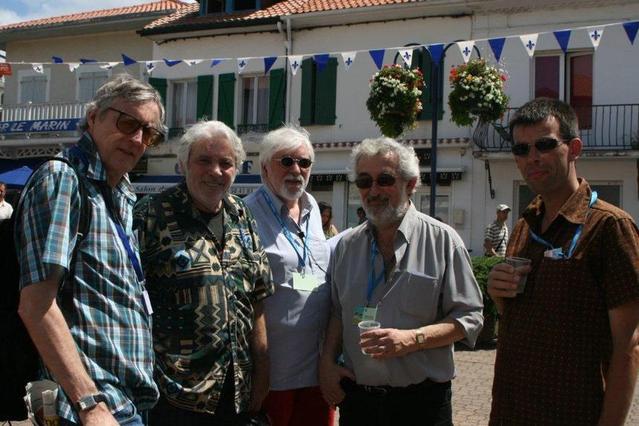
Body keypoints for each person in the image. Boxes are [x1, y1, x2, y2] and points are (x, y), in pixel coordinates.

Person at [16, 74, 165, 425]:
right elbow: (36, 304)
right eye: (128, 123)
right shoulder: (64, 178)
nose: (138, 139)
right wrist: (89, 403)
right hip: (88, 406)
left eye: (150, 133)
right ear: (94, 117)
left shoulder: (120, 194)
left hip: (125, 402)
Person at [487, 98, 639, 425]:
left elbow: (628, 348)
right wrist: (499, 294)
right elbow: (521, 316)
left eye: (544, 144)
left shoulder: (609, 227)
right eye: (521, 149)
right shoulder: (523, 226)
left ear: (574, 149)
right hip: (511, 413)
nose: (532, 157)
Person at [319, 136, 484, 426]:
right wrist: (327, 364)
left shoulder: (443, 242)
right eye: (364, 181)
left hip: (421, 405)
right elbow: (337, 311)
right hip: (359, 404)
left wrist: (412, 339)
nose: (373, 190)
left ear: (410, 184)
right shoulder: (346, 245)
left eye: (384, 179)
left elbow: (470, 317)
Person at [133, 121, 274, 425]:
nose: (216, 171)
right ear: (183, 164)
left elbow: (258, 299)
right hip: (176, 394)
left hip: (237, 393)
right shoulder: (150, 215)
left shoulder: (242, 215)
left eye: (226, 163)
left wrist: (262, 373)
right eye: (204, 161)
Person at [244, 126, 334, 426]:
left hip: (317, 370)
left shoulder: (312, 211)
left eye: (304, 163)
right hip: (274, 374)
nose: (296, 170)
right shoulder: (245, 215)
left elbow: (306, 276)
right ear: (265, 167)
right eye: (286, 162)